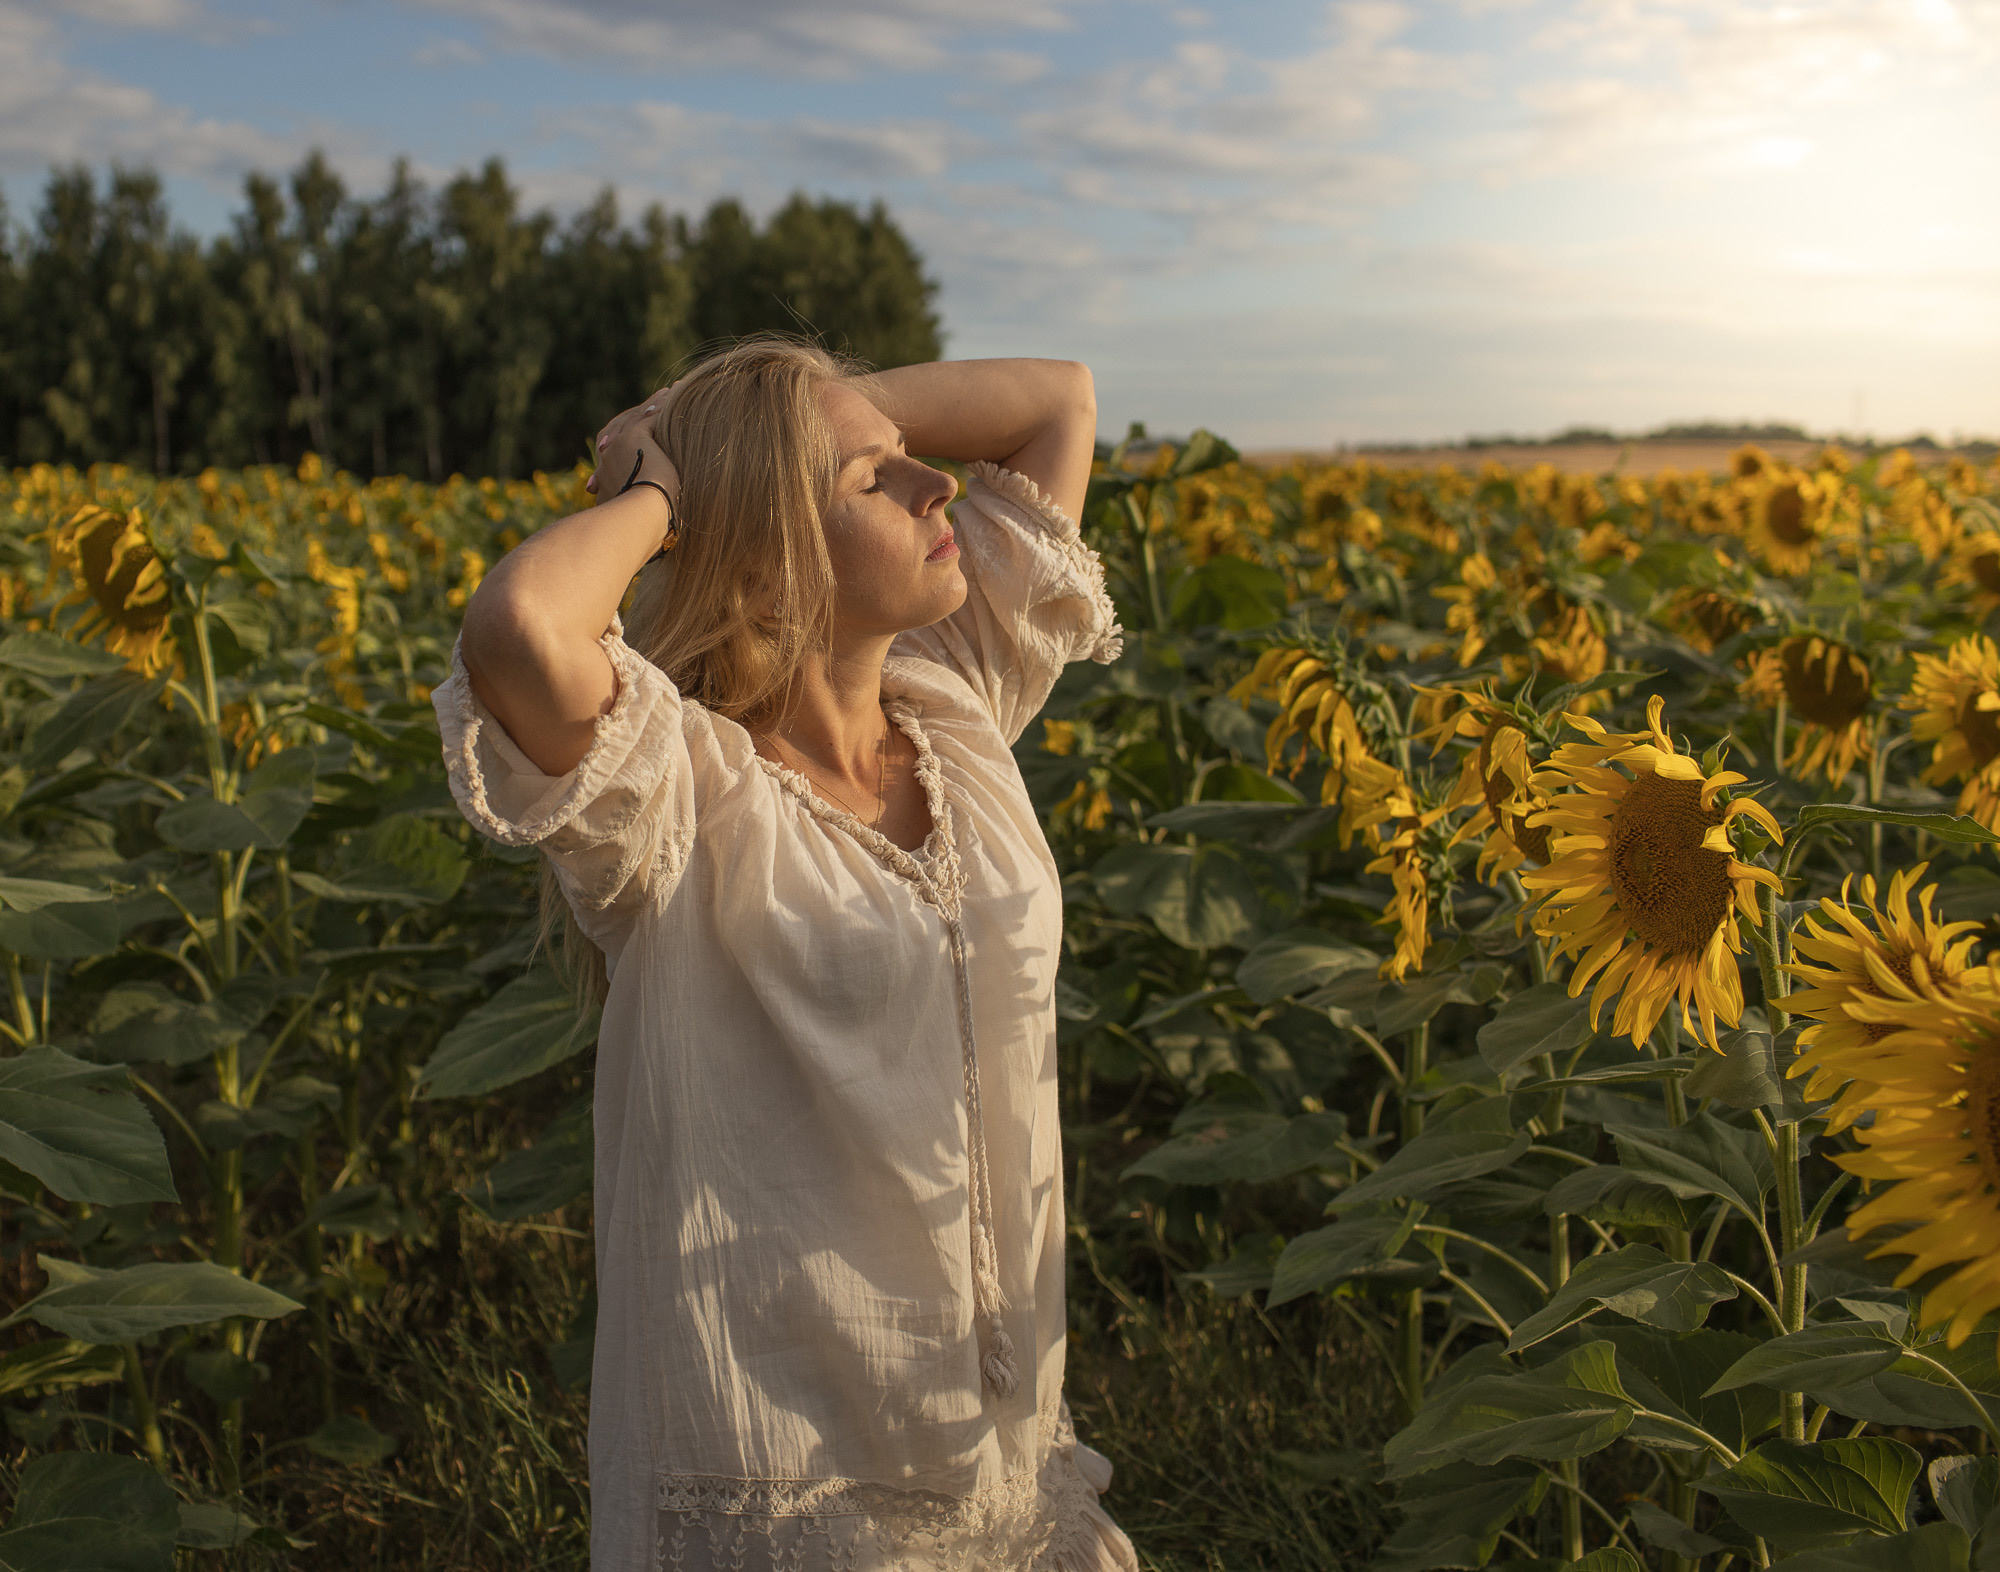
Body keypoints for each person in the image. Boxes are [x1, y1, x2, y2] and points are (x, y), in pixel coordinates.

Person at [434, 337, 1139, 1571]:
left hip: (991, 1439)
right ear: (766, 569)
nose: (939, 489)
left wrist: (798, 418)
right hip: (788, 1475)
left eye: (911, 461)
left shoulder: (952, 703)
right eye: (876, 481)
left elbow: (1057, 402)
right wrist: (665, 489)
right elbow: (518, 626)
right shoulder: (677, 792)